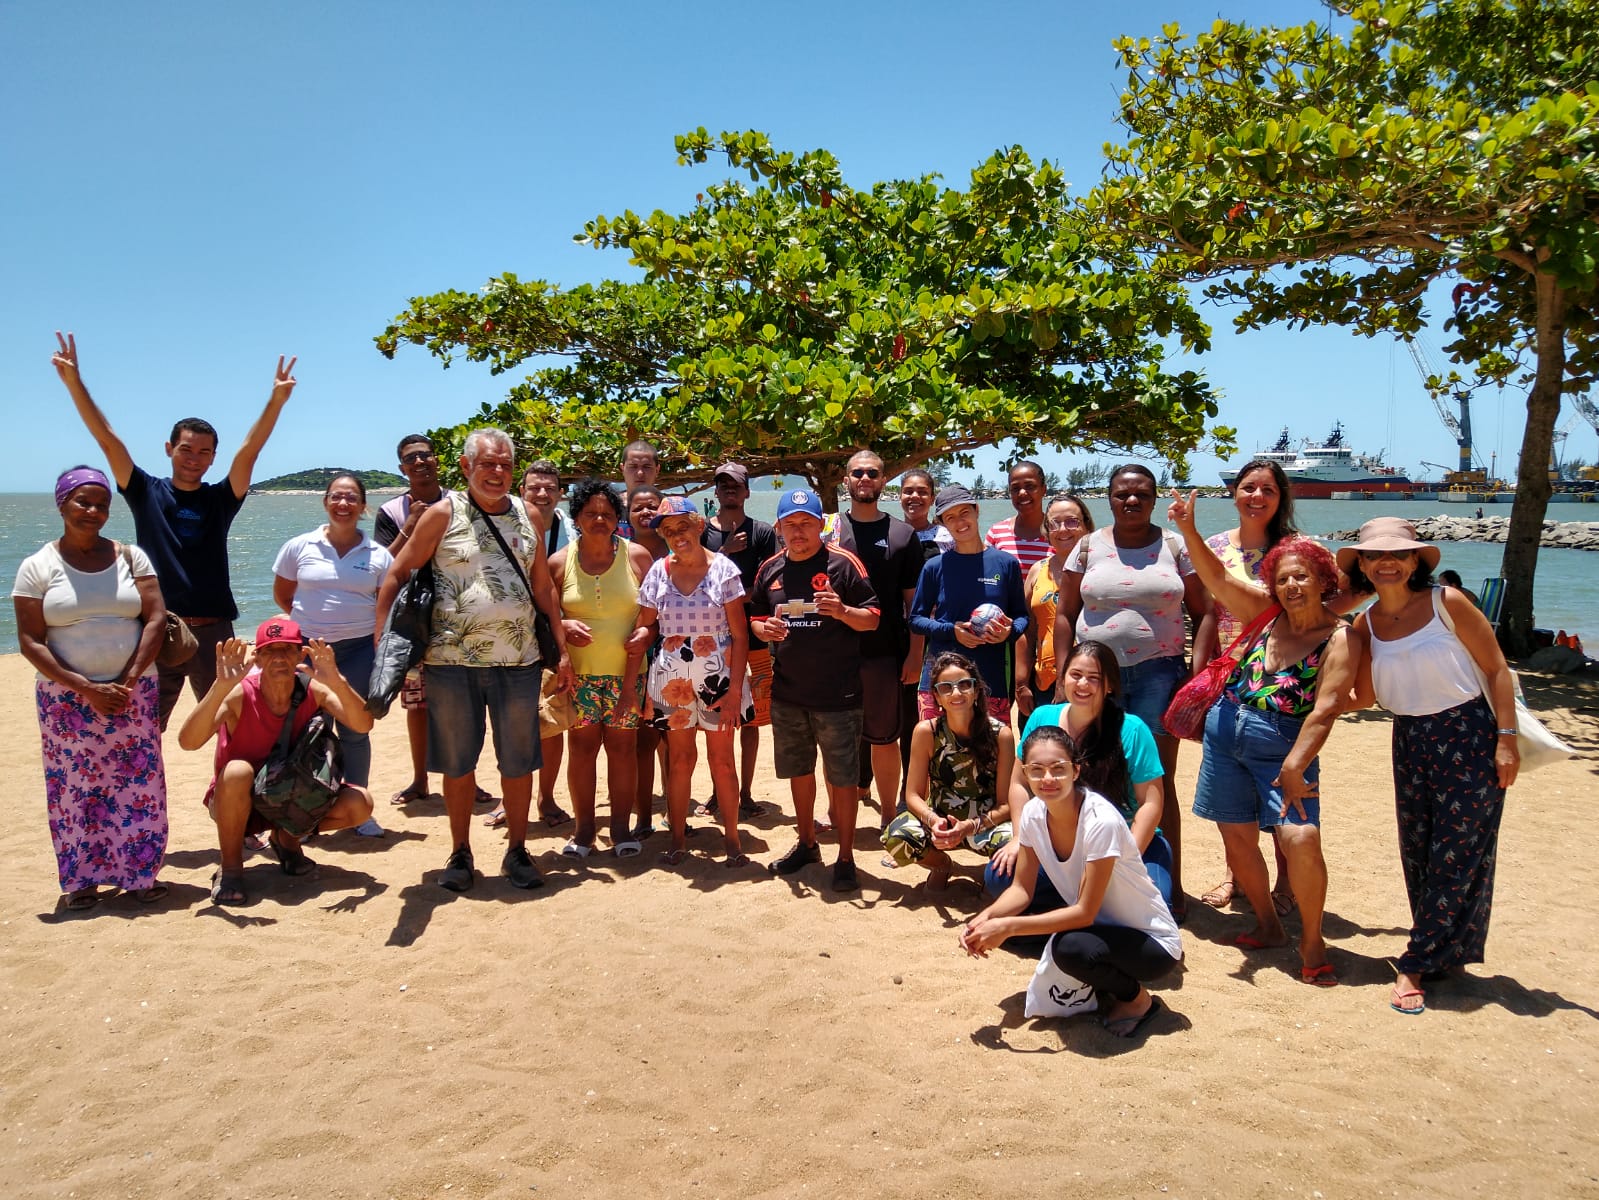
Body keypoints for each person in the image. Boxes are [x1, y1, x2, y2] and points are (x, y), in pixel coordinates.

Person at [53, 332, 296, 729]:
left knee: (231, 722)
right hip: (157, 628)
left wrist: (276, 401)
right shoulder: (145, 492)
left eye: (204, 452)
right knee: (144, 726)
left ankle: (228, 790)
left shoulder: (221, 498)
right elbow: (107, 440)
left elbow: (249, 450)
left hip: (214, 631)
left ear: (214, 457)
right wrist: (74, 382)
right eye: (186, 449)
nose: (194, 459)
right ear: (169, 448)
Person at [1170, 492, 1362, 984]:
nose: (1293, 585)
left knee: (1300, 837)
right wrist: (1189, 529)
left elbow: (1326, 709)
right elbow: (1216, 579)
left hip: (1284, 747)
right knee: (1235, 837)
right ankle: (1268, 924)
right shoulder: (1267, 613)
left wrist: (1296, 765)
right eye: (1282, 578)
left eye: (1302, 576)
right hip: (1225, 735)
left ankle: (1314, 940)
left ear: (1324, 581)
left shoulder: (1340, 636)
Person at [374, 427, 575, 893]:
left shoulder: (529, 515)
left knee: (519, 761)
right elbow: (397, 573)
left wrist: (561, 650)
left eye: (505, 464)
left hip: (520, 660)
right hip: (451, 661)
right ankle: (460, 851)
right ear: (466, 467)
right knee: (459, 764)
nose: (498, 472)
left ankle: (517, 851)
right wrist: (383, 644)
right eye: (488, 464)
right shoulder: (442, 514)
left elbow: (543, 585)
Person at [1343, 518, 1519, 1015]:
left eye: (1398, 553)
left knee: (1458, 852)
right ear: (1362, 565)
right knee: (1419, 849)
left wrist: (1506, 740)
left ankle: (1416, 962)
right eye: (1375, 555)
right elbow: (1365, 696)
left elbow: (1496, 669)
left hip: (1469, 734)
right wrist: (1297, 697)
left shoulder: (1449, 603)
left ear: (1417, 559)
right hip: (1410, 739)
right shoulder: (1366, 623)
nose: (1387, 562)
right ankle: (1448, 951)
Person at [1053, 463, 1209, 920]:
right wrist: (1067, 673)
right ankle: (1086, 880)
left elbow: (1205, 614)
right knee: (1088, 775)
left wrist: (1195, 678)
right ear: (1110, 497)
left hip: (1159, 675)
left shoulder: (1175, 547)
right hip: (1093, 677)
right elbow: (1065, 613)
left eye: (1141, 493)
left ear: (1155, 498)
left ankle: (1170, 884)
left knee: (1155, 781)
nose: (1132, 501)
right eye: (1123, 494)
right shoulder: (1086, 547)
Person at [961, 725, 1182, 1039]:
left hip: (1151, 943)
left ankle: (1138, 1001)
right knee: (1006, 929)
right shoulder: (1034, 814)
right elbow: (1021, 890)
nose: (1047, 779)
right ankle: (1098, 978)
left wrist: (1006, 925)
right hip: (1101, 930)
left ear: (1076, 770)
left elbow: (1084, 913)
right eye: (1036, 770)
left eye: (1058, 769)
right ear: (1024, 772)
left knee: (1070, 947)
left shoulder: (1099, 821)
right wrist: (982, 920)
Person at [13, 466, 169, 909]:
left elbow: (156, 617)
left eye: (101, 504)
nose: (93, 511)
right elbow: (29, 640)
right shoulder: (37, 566)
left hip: (133, 693)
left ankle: (140, 876)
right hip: (66, 700)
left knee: (139, 784)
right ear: (62, 503)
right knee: (75, 787)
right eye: (84, 502)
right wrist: (85, 687)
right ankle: (83, 880)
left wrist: (128, 680)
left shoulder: (131, 558)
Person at [177, 619, 376, 905]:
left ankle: (286, 840)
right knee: (237, 771)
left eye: (287, 649)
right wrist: (220, 687)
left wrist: (338, 682)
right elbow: (188, 741)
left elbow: (362, 724)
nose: (279, 658)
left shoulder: (313, 689)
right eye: (270, 651)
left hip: (290, 797)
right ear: (256, 656)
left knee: (361, 804)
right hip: (236, 802)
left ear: (300, 655)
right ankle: (231, 868)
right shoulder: (240, 692)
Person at [750, 488, 881, 892]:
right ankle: (806, 842)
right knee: (799, 773)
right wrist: (763, 628)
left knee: (841, 778)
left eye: (807, 523)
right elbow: (754, 617)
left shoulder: (843, 565)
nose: (799, 531)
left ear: (821, 526)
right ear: (779, 528)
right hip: (789, 694)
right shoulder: (769, 569)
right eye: (791, 524)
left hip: (838, 695)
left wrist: (842, 611)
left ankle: (845, 856)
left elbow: (874, 619)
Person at [1190, 458, 1302, 914]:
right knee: (1230, 793)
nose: (1257, 497)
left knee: (1280, 790)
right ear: (1234, 493)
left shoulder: (1298, 551)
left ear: (1281, 497)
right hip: (1228, 683)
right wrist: (1198, 680)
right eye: (1248, 487)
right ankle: (1237, 876)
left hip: (1284, 685)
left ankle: (1287, 884)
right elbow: (1209, 616)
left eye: (1268, 489)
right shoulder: (1214, 547)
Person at [990, 640, 1173, 905]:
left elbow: (1151, 803)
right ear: (1063, 679)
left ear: (1109, 685)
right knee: (999, 879)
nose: (1083, 684)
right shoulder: (1042, 717)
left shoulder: (1133, 730)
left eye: (1094, 678)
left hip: (1122, 844)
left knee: (1152, 904)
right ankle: (1075, 918)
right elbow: (1019, 783)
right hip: (1059, 843)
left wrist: (1126, 860)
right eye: (1075, 675)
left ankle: (1074, 918)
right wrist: (1021, 837)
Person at [634, 497, 753, 866]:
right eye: (668, 531)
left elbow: (739, 634)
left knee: (723, 761)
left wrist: (735, 691)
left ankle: (732, 840)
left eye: (682, 527)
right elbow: (645, 626)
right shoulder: (658, 571)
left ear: (699, 526)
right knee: (680, 760)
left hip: (718, 679)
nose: (676, 536)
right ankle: (679, 838)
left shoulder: (724, 570)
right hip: (671, 679)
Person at [272, 472, 392, 837]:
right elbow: (283, 594)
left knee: (356, 729)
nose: (343, 504)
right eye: (336, 497)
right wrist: (310, 627)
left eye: (352, 498)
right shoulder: (299, 546)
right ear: (326, 502)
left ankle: (359, 809)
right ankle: (303, 808)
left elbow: (384, 606)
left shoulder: (378, 555)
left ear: (362, 505)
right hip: (307, 650)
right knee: (306, 729)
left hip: (356, 652)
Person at [548, 479, 654, 857]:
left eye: (607, 514)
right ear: (576, 517)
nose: (598, 519)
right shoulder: (559, 562)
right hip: (578, 677)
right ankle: (583, 831)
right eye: (590, 513)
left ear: (617, 519)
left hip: (628, 674)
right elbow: (542, 617)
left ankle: (622, 829)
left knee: (623, 750)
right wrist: (561, 625)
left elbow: (653, 616)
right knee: (581, 749)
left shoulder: (638, 557)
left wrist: (646, 631)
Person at [825, 450, 924, 833]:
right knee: (835, 741)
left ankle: (888, 815)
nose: (864, 478)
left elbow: (914, 605)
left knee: (884, 738)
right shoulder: (828, 530)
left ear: (884, 481)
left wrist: (915, 655)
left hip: (884, 652)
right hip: (833, 654)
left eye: (873, 473)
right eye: (857, 473)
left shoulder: (903, 535)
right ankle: (836, 814)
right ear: (846, 480)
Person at [372, 434, 465, 810]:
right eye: (411, 459)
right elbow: (382, 566)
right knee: (417, 705)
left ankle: (464, 777)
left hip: (456, 612)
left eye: (425, 456)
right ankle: (420, 779)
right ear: (402, 468)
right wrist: (411, 524)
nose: (420, 463)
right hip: (413, 615)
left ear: (437, 460)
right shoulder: (391, 512)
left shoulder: (459, 502)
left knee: (462, 702)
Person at [885, 653, 1015, 890]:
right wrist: (934, 821)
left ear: (976, 691)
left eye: (964, 685)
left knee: (1015, 847)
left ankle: (991, 873)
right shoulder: (927, 732)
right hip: (941, 823)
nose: (956, 693)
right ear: (936, 696)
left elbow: (1006, 804)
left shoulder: (1000, 734)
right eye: (946, 687)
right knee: (897, 837)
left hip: (985, 824)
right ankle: (942, 864)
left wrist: (970, 826)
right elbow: (912, 794)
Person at [908, 485, 1029, 724]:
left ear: (977, 510)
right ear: (942, 523)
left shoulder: (1006, 564)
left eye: (965, 512)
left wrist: (1008, 632)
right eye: (950, 517)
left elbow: (1022, 616)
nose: (960, 522)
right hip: (941, 680)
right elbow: (916, 620)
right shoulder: (935, 567)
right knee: (938, 755)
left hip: (990, 679)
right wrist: (951, 631)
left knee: (990, 755)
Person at [700, 462, 779, 819]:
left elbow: (766, 584)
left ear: (746, 492)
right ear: (715, 491)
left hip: (757, 640)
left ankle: (744, 792)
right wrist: (725, 554)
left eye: (736, 485)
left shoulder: (762, 533)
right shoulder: (702, 534)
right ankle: (720, 790)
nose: (729, 490)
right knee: (714, 718)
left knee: (752, 720)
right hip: (713, 642)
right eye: (723, 485)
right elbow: (695, 585)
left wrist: (729, 594)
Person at [506, 459, 577, 832]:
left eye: (550, 488)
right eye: (534, 487)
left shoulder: (571, 532)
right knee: (510, 726)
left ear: (560, 493)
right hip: (510, 638)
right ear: (522, 491)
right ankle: (511, 798)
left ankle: (545, 797)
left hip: (552, 637)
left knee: (551, 724)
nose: (542, 494)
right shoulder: (507, 525)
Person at [1015, 493, 1094, 720]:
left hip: (1091, 679)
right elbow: (1027, 631)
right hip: (1044, 680)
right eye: (1054, 524)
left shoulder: (1102, 570)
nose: (1062, 530)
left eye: (1072, 521)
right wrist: (1021, 684)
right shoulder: (1037, 571)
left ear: (1087, 526)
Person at [625, 485, 668, 839]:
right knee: (644, 740)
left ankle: (673, 808)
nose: (645, 512)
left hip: (675, 652)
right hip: (638, 652)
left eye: (652, 506)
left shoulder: (676, 548)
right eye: (637, 507)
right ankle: (643, 816)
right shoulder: (620, 553)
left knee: (675, 740)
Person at [984, 460, 1052, 572]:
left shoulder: (1059, 532)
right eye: (1015, 488)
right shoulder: (996, 533)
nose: (1022, 493)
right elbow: (987, 575)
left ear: (1043, 489)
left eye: (1030, 486)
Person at [615, 440, 661, 538]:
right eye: (633, 466)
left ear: (657, 470)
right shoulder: (610, 506)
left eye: (646, 467)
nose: (640, 473)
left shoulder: (667, 508)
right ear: (622, 469)